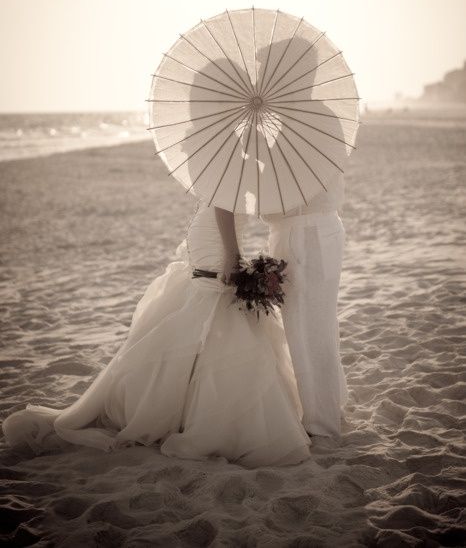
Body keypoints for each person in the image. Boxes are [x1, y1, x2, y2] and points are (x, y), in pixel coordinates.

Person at [2, 199, 312, 468]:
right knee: (215, 304)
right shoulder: (232, 165)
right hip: (216, 237)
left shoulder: (224, 161)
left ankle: (183, 408)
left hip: (208, 233)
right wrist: (233, 256)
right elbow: (223, 205)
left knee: (210, 312)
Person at [260, 171, 348, 438]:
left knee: (305, 329)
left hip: (302, 234)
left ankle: (321, 422)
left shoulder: (284, 147)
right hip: (325, 227)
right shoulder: (320, 136)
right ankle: (331, 405)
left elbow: (274, 199)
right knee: (321, 323)